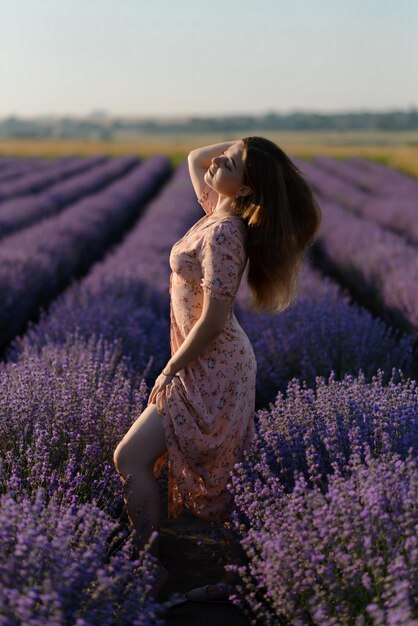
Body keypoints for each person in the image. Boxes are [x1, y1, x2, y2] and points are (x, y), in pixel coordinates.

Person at [113, 137, 322, 602]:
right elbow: (194, 157)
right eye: (225, 156)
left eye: (230, 162)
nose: (217, 160)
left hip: (214, 364)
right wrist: (248, 147)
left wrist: (171, 369)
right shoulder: (215, 207)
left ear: (247, 189)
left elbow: (213, 319)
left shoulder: (226, 230)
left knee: (174, 464)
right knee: (153, 461)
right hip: (201, 357)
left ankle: (201, 575)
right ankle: (172, 569)